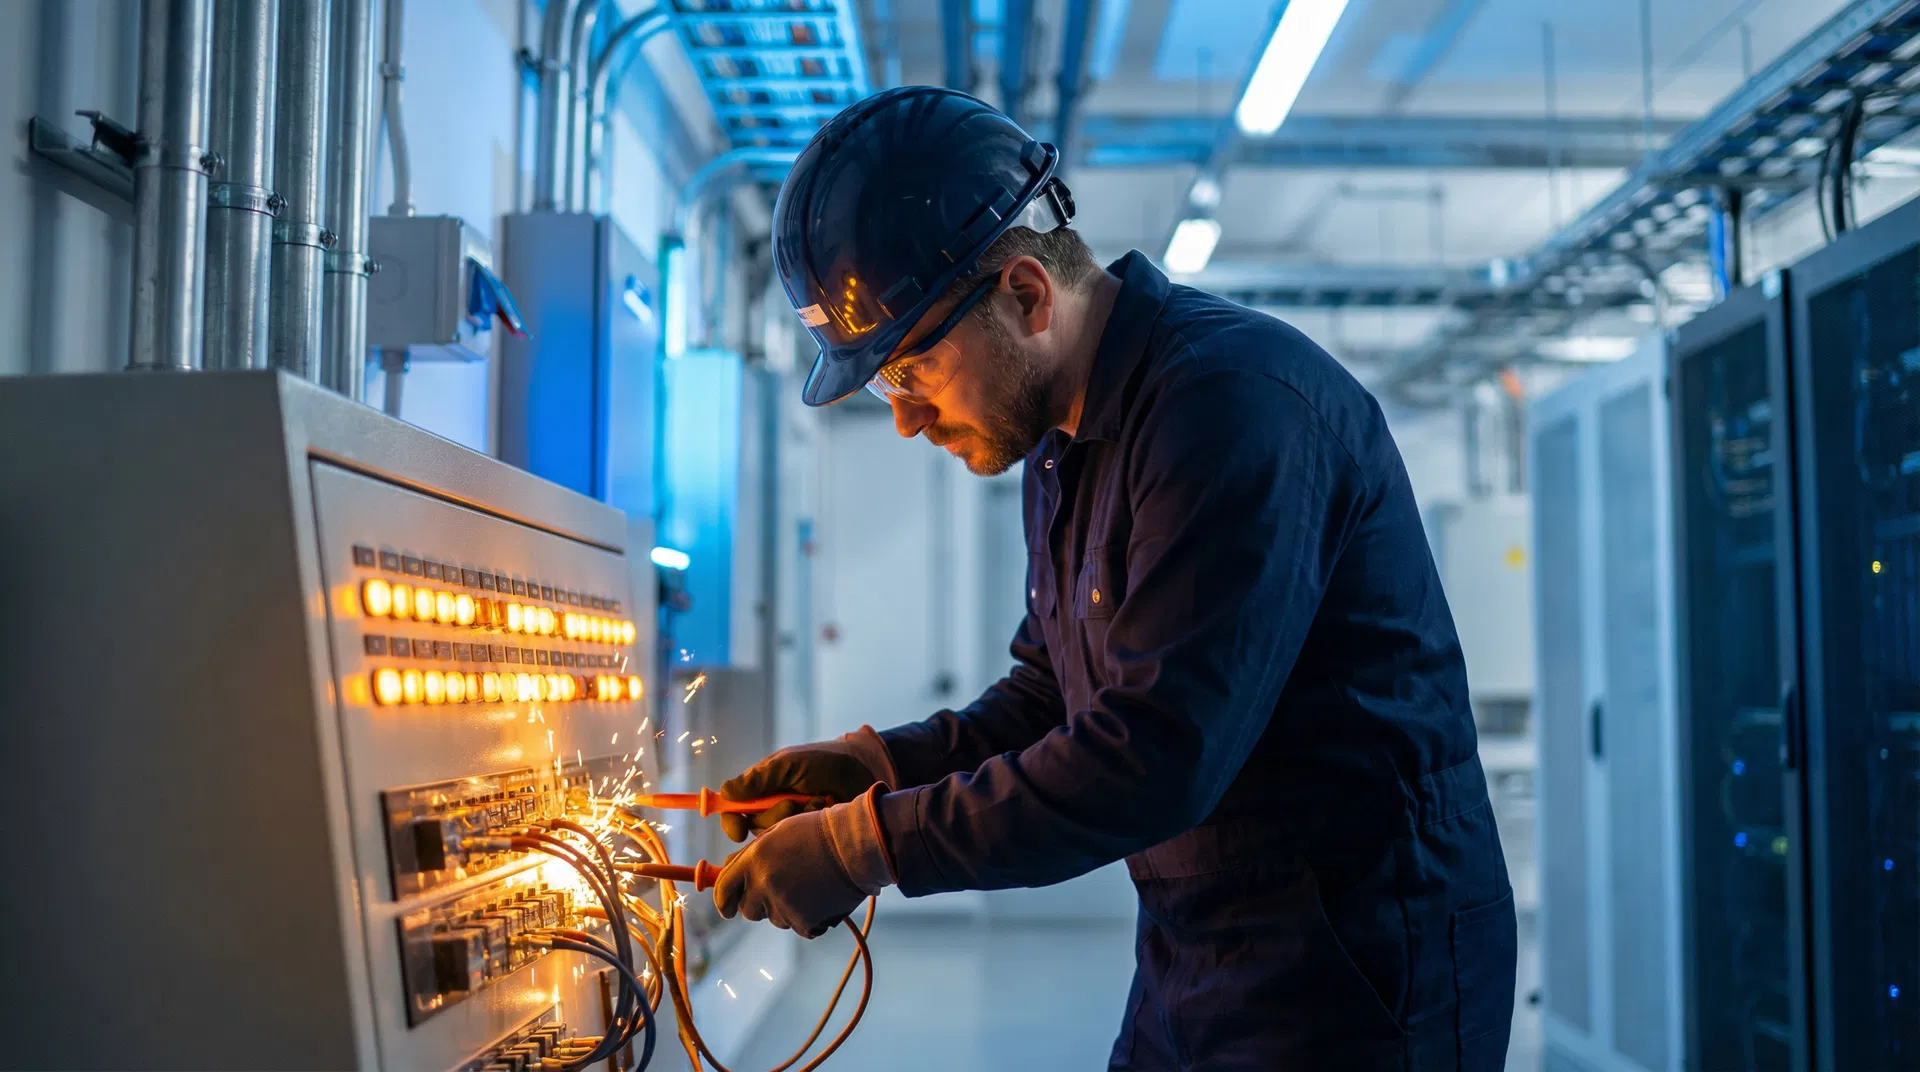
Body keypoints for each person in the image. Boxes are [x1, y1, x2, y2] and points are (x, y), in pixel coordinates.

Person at [708, 86, 1517, 1071]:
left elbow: (1153, 755)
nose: (907, 421)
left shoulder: (1230, 409)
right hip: (1199, 947)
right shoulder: (1059, 442)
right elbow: (1054, 694)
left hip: (1356, 964)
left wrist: (865, 848)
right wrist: (876, 767)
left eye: (913, 372)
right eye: (886, 387)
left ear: (1026, 296)